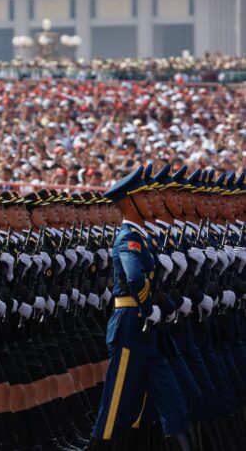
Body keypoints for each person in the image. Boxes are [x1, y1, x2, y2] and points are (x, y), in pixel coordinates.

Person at [90, 166, 191, 450]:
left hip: (146, 329)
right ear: (129, 203)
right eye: (144, 199)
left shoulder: (142, 236)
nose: (150, 203)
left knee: (165, 398)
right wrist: (148, 308)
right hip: (132, 324)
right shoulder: (128, 238)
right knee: (115, 405)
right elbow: (134, 277)